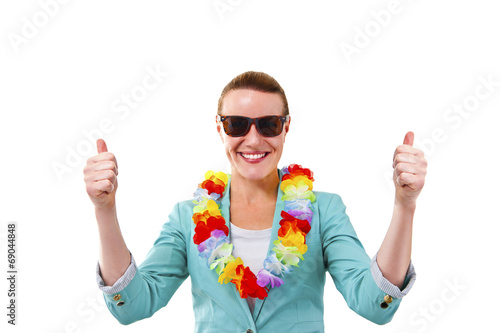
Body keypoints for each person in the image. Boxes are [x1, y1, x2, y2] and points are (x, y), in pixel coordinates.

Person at [84, 71, 427, 332]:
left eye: (268, 124)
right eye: (237, 125)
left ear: (285, 127)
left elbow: (372, 304)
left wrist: (404, 205)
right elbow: (132, 307)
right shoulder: (187, 218)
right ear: (219, 128)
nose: (253, 139)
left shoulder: (325, 211)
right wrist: (105, 210)